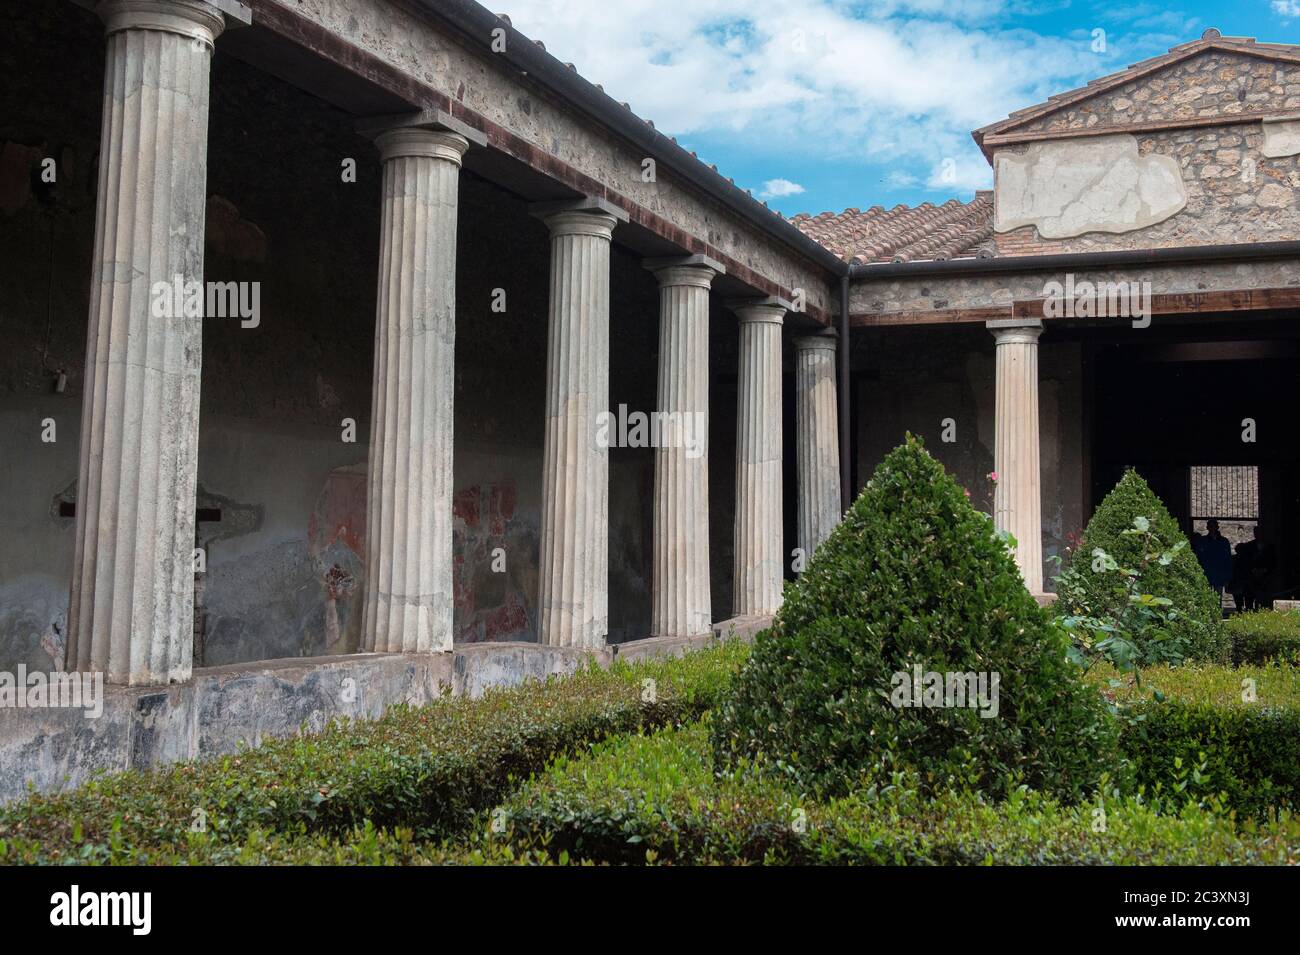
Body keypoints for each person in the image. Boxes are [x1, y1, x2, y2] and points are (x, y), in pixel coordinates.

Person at [1231, 525, 1271, 612]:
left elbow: (1272, 561)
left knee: (1263, 601)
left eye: (1259, 532)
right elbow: (1246, 561)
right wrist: (1253, 570)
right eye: (1255, 532)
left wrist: (1265, 570)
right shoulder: (1249, 546)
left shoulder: (1269, 546)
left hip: (1266, 578)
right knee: (1249, 601)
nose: (1257, 534)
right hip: (1251, 578)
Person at [1198, 519, 1232, 598]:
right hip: (1206, 574)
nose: (1212, 528)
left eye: (1214, 526)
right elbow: (1199, 558)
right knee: (1206, 598)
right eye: (1211, 526)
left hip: (1219, 574)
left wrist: (1228, 577)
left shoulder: (1224, 541)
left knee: (1218, 598)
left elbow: (1228, 560)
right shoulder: (1202, 541)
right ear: (1207, 527)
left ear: (1217, 527)